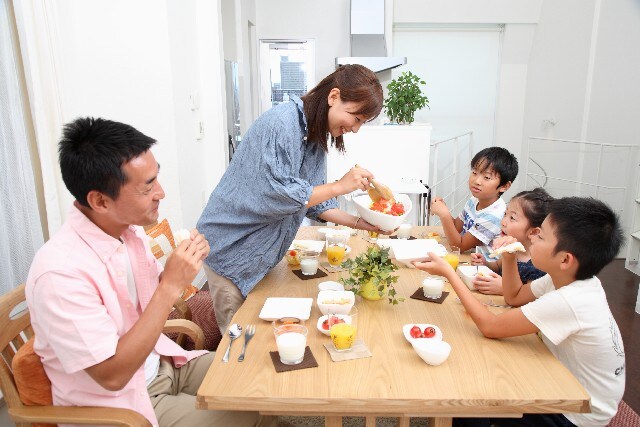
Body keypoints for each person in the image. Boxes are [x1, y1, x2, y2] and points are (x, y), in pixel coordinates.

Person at [25, 117, 271, 427]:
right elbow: (112, 376)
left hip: (164, 362)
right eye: (147, 186)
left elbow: (149, 294)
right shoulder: (59, 274)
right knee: (250, 408)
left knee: (261, 371)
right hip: (119, 405)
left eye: (156, 178)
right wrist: (170, 285)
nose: (161, 193)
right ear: (99, 200)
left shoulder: (127, 233)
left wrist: (179, 267)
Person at [197, 64, 388, 334]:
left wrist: (364, 223)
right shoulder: (282, 123)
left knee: (265, 335)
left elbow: (316, 202)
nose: (355, 129)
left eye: (361, 123)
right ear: (333, 97)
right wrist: (340, 186)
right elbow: (281, 196)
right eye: (355, 118)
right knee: (242, 347)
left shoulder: (314, 135)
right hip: (233, 252)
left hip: (259, 256)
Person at [414, 197, 625, 426]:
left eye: (541, 236)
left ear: (565, 259)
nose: (532, 236)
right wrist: (509, 256)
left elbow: (491, 327)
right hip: (564, 383)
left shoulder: (570, 300)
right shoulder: (564, 280)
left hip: (574, 413)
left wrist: (450, 273)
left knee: (472, 398)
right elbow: (513, 296)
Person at [430, 147, 519, 252]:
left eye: (486, 177)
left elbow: (459, 247)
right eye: (475, 172)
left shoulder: (494, 215)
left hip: (484, 265)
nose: (477, 181)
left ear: (504, 186)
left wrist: (444, 215)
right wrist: (443, 209)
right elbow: (457, 228)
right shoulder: (475, 200)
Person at [469, 188, 554, 295]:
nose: (503, 222)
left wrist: (504, 289)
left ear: (533, 232)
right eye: (505, 214)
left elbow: (531, 297)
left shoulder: (537, 265)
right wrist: (485, 263)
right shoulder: (511, 249)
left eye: (512, 218)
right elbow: (498, 266)